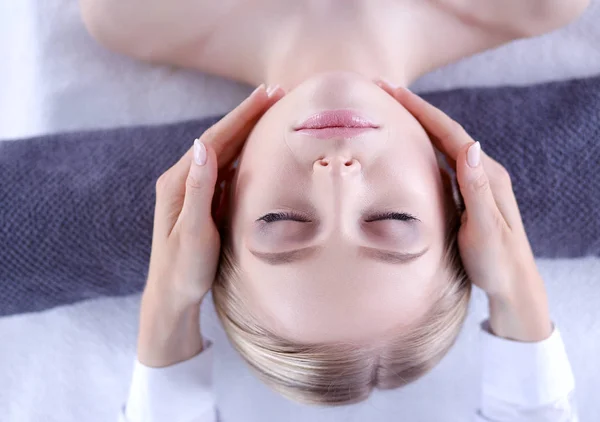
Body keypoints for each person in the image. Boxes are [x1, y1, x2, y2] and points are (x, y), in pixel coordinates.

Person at [78, 1, 587, 420]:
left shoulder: (134, 14)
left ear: (219, 201)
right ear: (457, 196)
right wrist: (516, 285)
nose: (337, 176)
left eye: (283, 221)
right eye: (392, 220)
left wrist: (167, 309)